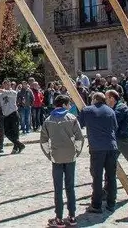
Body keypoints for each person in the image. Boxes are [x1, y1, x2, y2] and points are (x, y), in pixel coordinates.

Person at [41, 94, 83, 227]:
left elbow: (43, 141)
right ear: (64, 105)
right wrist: (76, 152)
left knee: (58, 188)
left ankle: (58, 218)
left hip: (56, 158)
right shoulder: (72, 118)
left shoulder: (48, 120)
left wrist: (50, 155)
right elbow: (79, 138)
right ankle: (72, 216)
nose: (70, 106)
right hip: (70, 157)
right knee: (70, 187)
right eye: (69, 104)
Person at [78, 92, 118, 214]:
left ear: (94, 99)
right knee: (111, 176)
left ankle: (96, 205)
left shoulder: (87, 110)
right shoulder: (111, 111)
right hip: (111, 146)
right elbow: (115, 127)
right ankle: (111, 203)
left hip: (97, 148)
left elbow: (80, 124)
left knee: (97, 177)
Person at [105, 89, 128, 179]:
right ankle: (107, 187)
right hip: (114, 140)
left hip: (123, 140)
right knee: (109, 164)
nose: (105, 100)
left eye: (106, 98)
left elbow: (113, 121)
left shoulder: (121, 107)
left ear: (112, 98)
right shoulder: (112, 108)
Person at [0, 80, 25, 153]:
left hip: (13, 114)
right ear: (3, 85)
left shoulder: (13, 92)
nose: (7, 86)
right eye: (6, 85)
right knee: (6, 132)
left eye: (9, 85)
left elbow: (7, 92)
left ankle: (15, 148)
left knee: (15, 132)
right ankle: (19, 144)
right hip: (6, 116)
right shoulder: (0, 95)